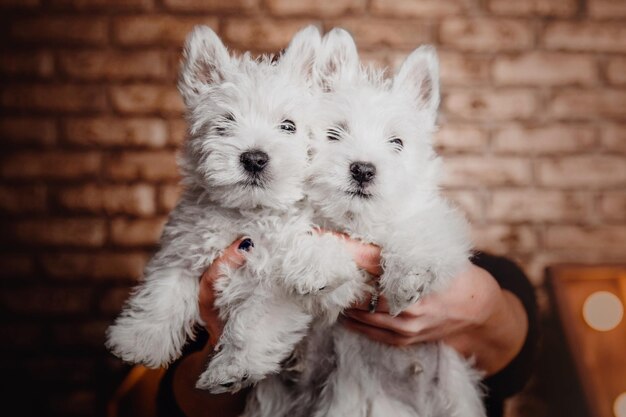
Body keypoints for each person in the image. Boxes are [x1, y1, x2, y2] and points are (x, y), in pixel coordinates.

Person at [157, 235, 538, 417]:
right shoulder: (250, 265)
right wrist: (229, 345)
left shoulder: (491, 271)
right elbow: (181, 406)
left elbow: (512, 367)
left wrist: (484, 304)